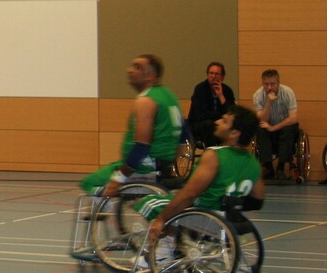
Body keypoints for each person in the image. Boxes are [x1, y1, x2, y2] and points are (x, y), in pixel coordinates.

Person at [136, 105, 265, 264]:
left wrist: (161, 220)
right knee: (176, 200)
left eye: (224, 121)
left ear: (234, 133)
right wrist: (230, 203)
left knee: (150, 203)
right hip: (229, 220)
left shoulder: (215, 155)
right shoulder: (253, 163)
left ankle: (163, 251)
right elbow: (258, 200)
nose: (217, 122)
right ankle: (177, 245)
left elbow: (190, 194)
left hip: (204, 218)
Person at [81, 54, 183, 196]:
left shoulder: (146, 100)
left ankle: (106, 211)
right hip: (162, 166)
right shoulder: (170, 97)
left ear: (151, 75)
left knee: (90, 182)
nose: (129, 70)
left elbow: (142, 146)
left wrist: (119, 178)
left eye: (137, 67)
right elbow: (182, 137)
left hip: (144, 169)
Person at [252, 69, 299, 179]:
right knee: (260, 129)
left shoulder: (288, 92)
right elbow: (262, 119)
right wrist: (268, 103)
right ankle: (268, 167)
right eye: (266, 84)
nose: (269, 87)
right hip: (268, 127)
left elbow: (293, 118)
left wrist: (274, 128)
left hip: (284, 126)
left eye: (272, 84)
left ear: (278, 83)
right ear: (262, 83)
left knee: (288, 129)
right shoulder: (258, 95)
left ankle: (281, 168)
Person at [187, 62, 236, 148]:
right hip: (198, 124)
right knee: (209, 124)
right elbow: (201, 114)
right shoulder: (200, 89)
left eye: (216, 74)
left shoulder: (227, 91)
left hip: (220, 124)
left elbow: (231, 112)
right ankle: (212, 152)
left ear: (222, 77)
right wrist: (219, 119)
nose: (213, 76)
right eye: (211, 73)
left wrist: (221, 96)